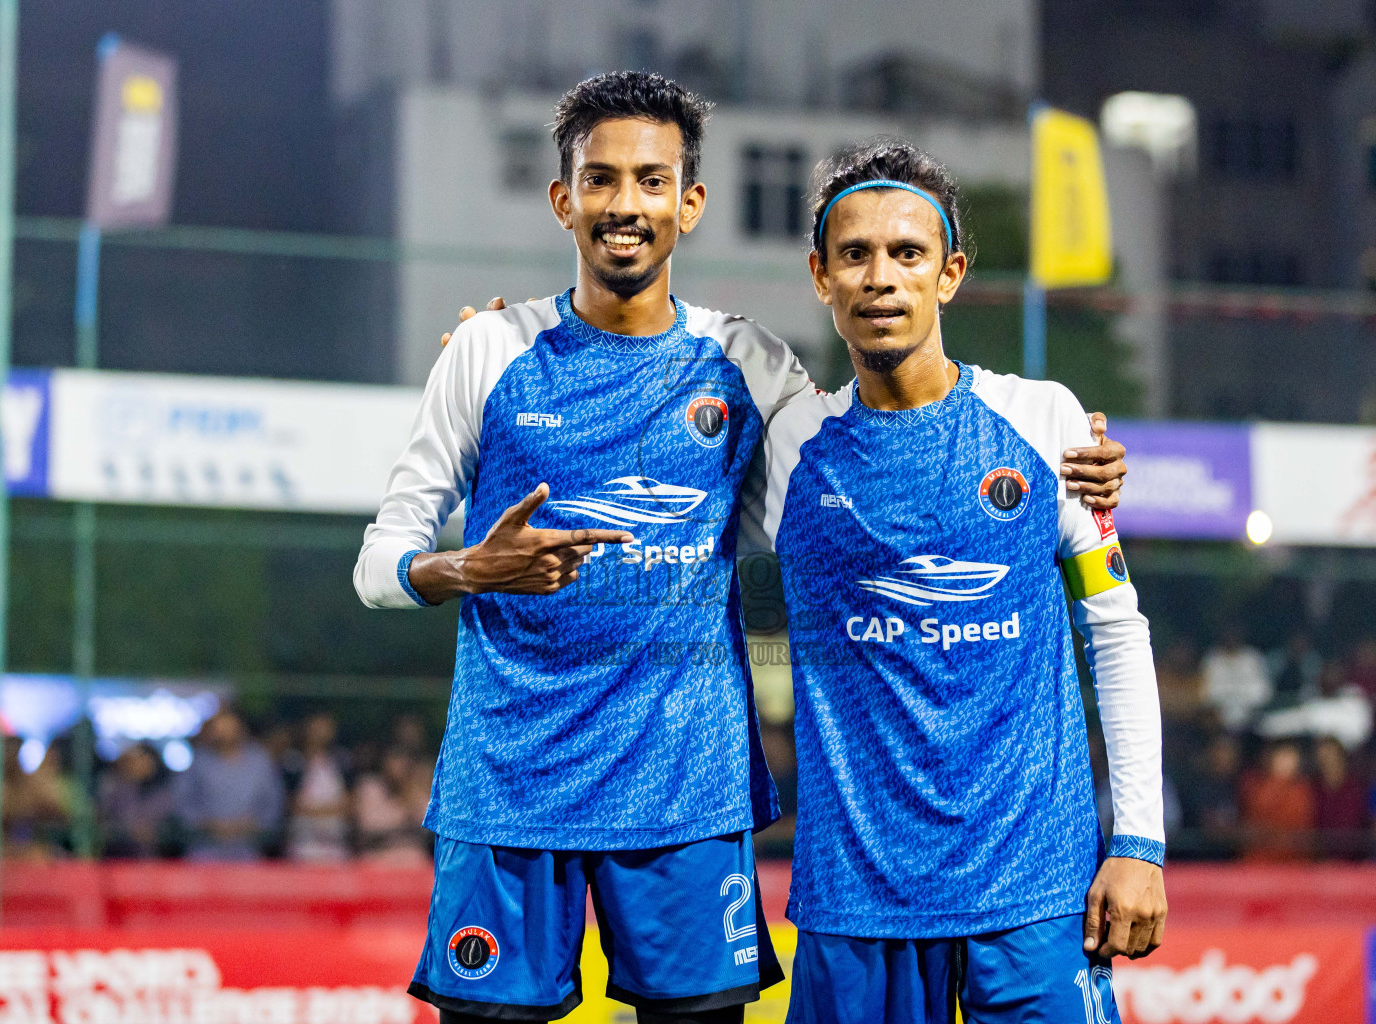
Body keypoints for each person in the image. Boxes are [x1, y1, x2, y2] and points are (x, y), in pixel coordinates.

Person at [356, 73, 1131, 1024]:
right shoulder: (486, 355)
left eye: (651, 180)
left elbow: (891, 459)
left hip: (694, 800)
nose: (624, 204)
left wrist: (1076, 466)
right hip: (510, 789)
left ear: (691, 204)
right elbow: (376, 564)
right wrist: (464, 567)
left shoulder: (761, 369)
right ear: (564, 199)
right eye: (600, 180)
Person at [749, 139, 1164, 1024]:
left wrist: (1140, 842)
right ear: (822, 278)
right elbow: (640, 501)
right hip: (852, 911)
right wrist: (504, 360)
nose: (881, 277)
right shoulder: (788, 447)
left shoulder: (1044, 420)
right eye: (855, 255)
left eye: (907, 253)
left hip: (1033, 900)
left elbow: (1118, 633)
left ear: (950, 273)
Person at [172, 710, 284, 861]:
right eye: (219, 729)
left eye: (229, 727)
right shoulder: (198, 762)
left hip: (248, 849)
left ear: (240, 728)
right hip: (204, 849)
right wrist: (208, 823)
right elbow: (182, 801)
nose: (224, 733)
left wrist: (252, 823)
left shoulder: (260, 761)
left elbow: (273, 802)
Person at [285, 712, 353, 862]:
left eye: (326, 727)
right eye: (317, 726)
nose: (321, 732)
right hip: (304, 844)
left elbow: (350, 803)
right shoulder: (293, 761)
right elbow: (291, 804)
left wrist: (314, 810)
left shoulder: (342, 760)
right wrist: (330, 810)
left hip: (336, 844)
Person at [354, 747, 434, 864]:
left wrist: (409, 797)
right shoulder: (370, 787)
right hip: (378, 855)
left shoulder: (415, 791)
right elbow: (369, 824)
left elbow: (428, 824)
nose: (398, 768)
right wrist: (403, 813)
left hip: (413, 856)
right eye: (394, 761)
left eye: (403, 763)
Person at [1238, 740, 1315, 862]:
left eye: (1292, 758)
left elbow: (1302, 824)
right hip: (1261, 860)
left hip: (1295, 861)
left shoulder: (1302, 790)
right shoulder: (1257, 787)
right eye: (1283, 757)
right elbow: (1255, 822)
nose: (1288, 763)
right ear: (1272, 759)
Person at [97, 743, 174, 858]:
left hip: (153, 859)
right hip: (116, 856)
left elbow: (168, 824)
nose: (138, 765)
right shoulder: (115, 786)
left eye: (143, 760)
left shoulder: (163, 792)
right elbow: (105, 818)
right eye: (135, 760)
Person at [1200, 624, 1272, 731]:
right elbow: (1206, 695)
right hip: (1218, 725)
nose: (1231, 636)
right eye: (1227, 633)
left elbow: (1264, 693)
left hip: (1252, 723)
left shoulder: (1253, 657)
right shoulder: (1211, 660)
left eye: (1235, 632)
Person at [1312, 736, 1369, 859]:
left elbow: (1358, 824)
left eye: (1332, 756)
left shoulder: (1354, 789)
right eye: (1323, 758)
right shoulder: (1314, 789)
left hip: (1352, 860)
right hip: (1320, 861)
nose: (1328, 761)